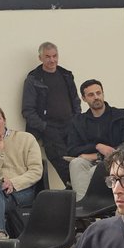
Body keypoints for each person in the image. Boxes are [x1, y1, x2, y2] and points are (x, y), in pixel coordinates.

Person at [0, 104, 43, 239]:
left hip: (22, 189)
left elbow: (36, 170)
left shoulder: (26, 138)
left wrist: (13, 182)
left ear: (4, 120)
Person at [66, 80, 124, 200]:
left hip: (117, 161)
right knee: (75, 163)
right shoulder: (78, 121)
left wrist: (98, 156)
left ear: (103, 94)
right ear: (83, 98)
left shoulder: (121, 115)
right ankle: (82, 205)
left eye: (98, 93)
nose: (96, 97)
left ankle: (97, 205)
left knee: (95, 170)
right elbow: (72, 149)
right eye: (91, 95)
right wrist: (97, 147)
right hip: (88, 161)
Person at [22, 42, 80, 185]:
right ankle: (74, 193)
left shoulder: (66, 74)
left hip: (71, 126)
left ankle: (83, 191)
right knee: (63, 166)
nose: (52, 60)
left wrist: (77, 119)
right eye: (47, 57)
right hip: (50, 130)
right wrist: (45, 127)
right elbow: (27, 110)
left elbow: (75, 100)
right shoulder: (33, 79)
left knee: (79, 161)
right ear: (40, 58)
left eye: (55, 56)